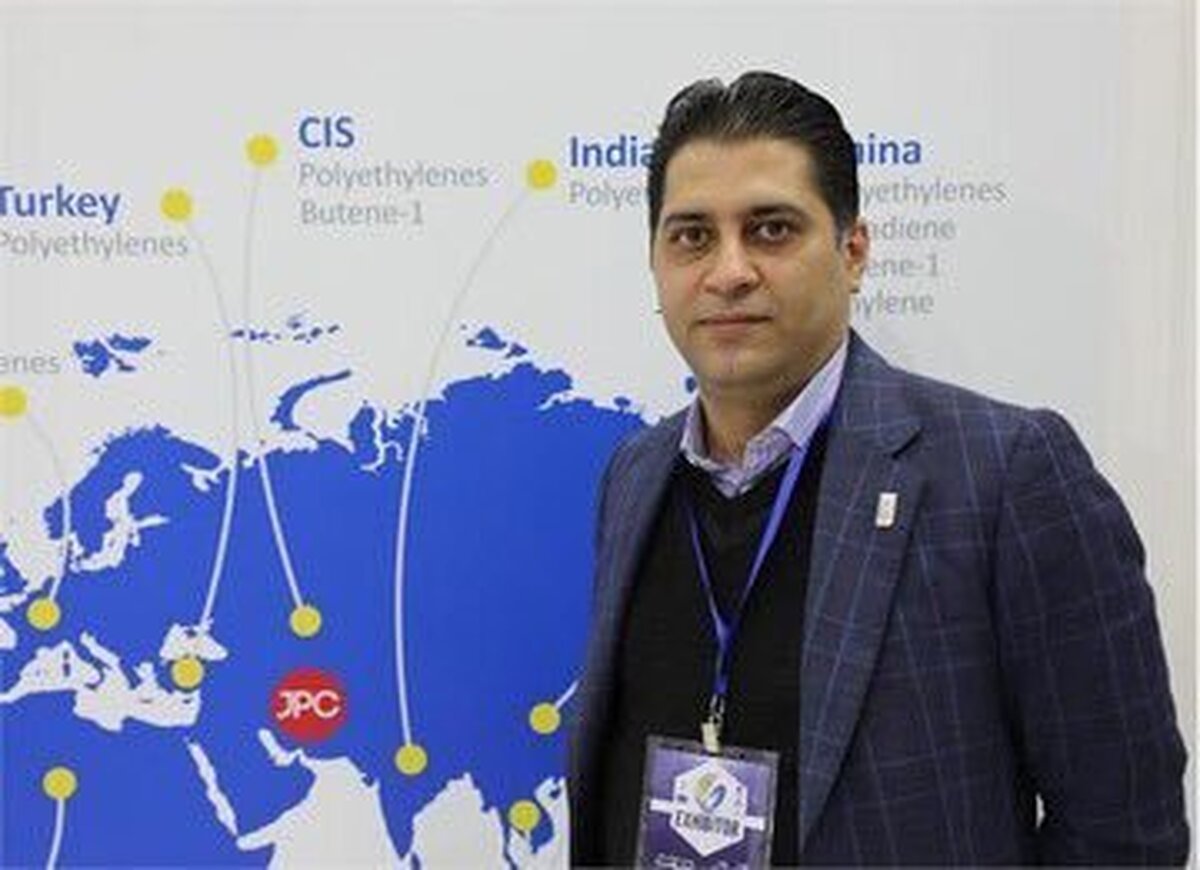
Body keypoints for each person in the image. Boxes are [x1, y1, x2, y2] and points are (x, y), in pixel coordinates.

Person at [567, 71, 1188, 867]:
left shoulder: (1005, 476)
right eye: (692, 236)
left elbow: (1123, 832)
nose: (728, 271)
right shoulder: (635, 474)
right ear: (656, 263)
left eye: (771, 229)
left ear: (853, 252)